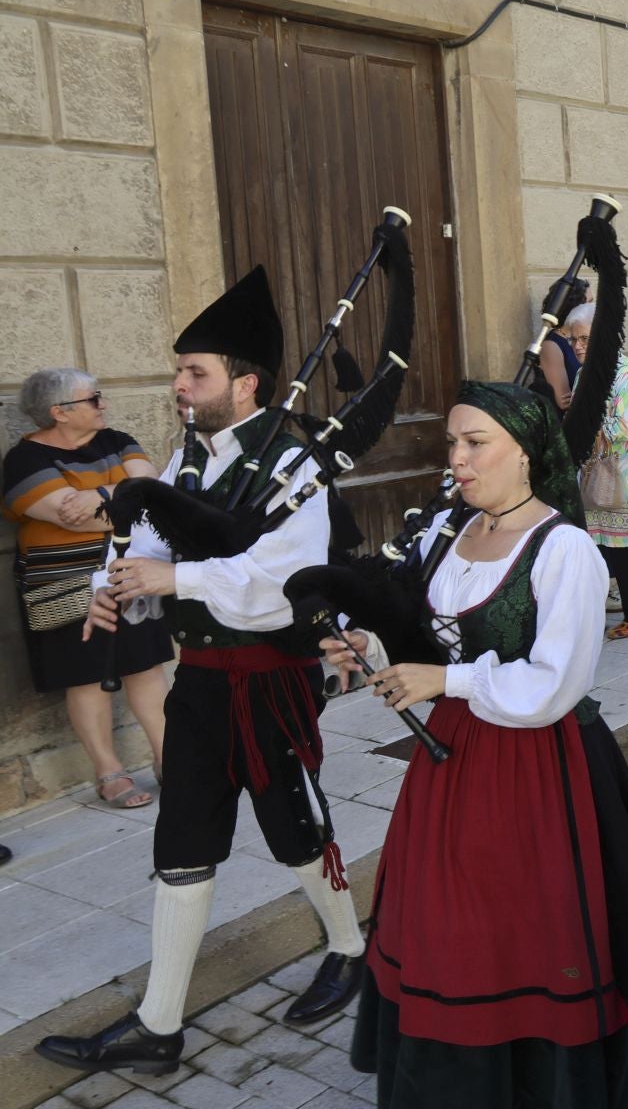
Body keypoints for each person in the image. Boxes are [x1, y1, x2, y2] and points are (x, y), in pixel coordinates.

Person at [36, 268, 364, 1076]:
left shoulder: (294, 465)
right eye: (180, 371)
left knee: (293, 827)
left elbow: (280, 580)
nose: (179, 385)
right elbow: (144, 540)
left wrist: (171, 580)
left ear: (244, 382)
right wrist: (113, 585)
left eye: (196, 373)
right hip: (201, 683)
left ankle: (352, 948)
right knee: (182, 836)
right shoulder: (190, 457)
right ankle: (159, 1024)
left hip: (271, 678)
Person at [323, 382, 628, 1106]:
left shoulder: (564, 548)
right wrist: (373, 642)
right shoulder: (454, 532)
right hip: (455, 760)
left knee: (520, 927)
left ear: (527, 455)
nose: (458, 458)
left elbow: (553, 684)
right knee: (446, 919)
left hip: (542, 766)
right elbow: (424, 634)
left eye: (476, 443)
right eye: (454, 442)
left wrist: (445, 679)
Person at [3, 369, 170, 809]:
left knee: (146, 667)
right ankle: (108, 771)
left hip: (129, 572)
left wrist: (104, 497)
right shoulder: (24, 460)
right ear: (60, 412)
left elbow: (153, 491)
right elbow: (65, 514)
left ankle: (169, 759)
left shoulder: (117, 439)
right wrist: (121, 495)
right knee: (86, 677)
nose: (104, 405)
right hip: (65, 584)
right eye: (93, 399)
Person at [566, 305, 628, 639]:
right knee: (596, 547)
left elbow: (622, 428)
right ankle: (591, 615)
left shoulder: (625, 374)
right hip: (596, 474)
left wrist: (581, 424)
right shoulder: (585, 374)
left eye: (584, 338)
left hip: (627, 478)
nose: (578, 346)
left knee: (626, 551)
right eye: (573, 340)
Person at [533, 275, 590, 411]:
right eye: (589, 302)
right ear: (574, 308)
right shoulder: (551, 346)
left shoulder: (584, 337)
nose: (593, 307)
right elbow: (564, 401)